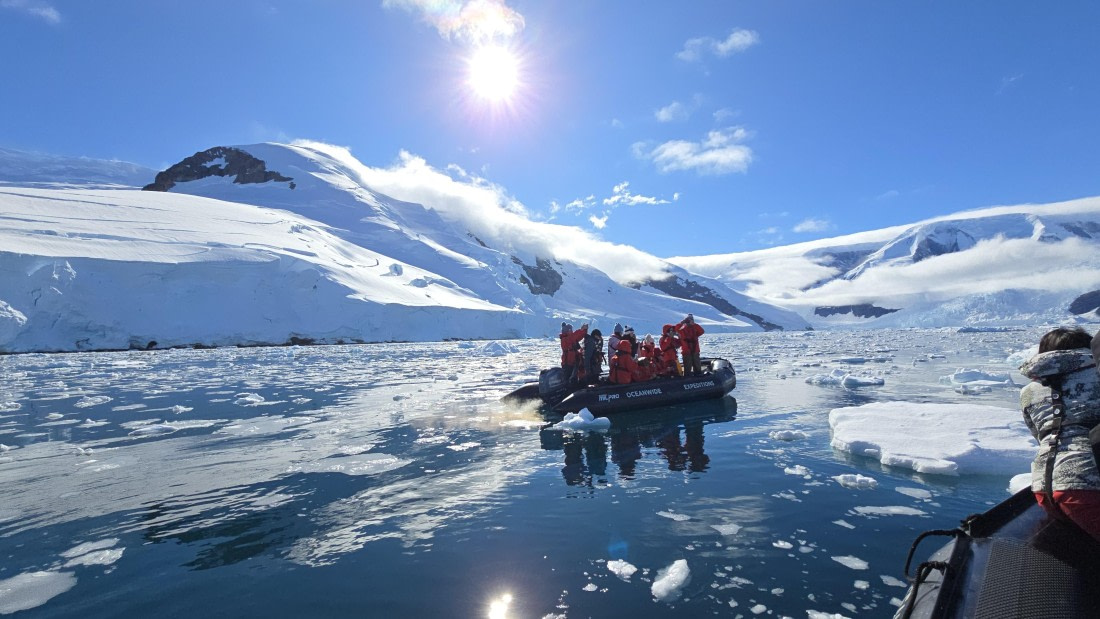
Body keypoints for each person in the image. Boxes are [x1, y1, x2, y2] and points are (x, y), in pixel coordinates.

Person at [1019, 326, 1100, 542]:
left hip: (1045, 492)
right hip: (1090, 489)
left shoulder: (1028, 392)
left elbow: (1039, 435)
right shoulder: (1097, 373)